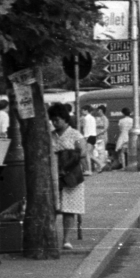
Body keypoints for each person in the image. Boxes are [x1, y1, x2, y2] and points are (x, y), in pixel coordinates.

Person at [49, 105, 88, 251]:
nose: (54, 122)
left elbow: (83, 152)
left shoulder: (75, 134)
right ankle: (52, 237)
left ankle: (66, 239)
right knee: (53, 207)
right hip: (54, 176)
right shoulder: (50, 136)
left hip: (71, 176)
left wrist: (67, 157)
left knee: (69, 208)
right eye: (52, 120)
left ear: (65, 119)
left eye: (57, 119)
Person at [79, 105, 99, 173]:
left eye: (83, 110)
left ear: (86, 110)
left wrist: (85, 138)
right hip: (93, 136)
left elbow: (85, 129)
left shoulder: (85, 118)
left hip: (88, 136)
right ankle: (100, 165)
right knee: (90, 154)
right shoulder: (92, 118)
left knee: (87, 154)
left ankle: (90, 170)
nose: (82, 112)